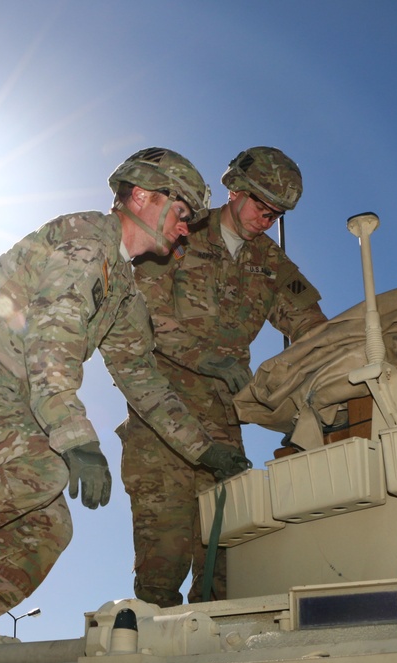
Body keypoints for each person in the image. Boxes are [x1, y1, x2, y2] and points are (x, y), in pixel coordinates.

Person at [0, 147, 251, 634]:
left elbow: (143, 380)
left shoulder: (123, 294)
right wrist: (76, 437)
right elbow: (53, 336)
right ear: (144, 196)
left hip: (2, 394)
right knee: (42, 469)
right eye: (179, 212)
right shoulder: (87, 238)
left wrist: (206, 451)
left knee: (48, 525)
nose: (184, 227)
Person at [118, 146, 328, 607]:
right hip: (161, 419)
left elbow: (313, 329)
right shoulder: (177, 230)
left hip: (223, 424)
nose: (265, 220)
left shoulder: (271, 264)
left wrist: (340, 364)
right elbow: (138, 318)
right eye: (260, 206)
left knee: (225, 563)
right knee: (162, 565)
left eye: (276, 215)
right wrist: (206, 357)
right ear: (235, 189)